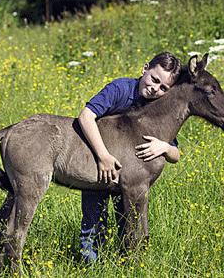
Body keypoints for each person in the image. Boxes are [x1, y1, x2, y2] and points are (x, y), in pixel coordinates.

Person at [78, 52, 182, 263]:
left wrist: (164, 147)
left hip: (130, 178)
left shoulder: (156, 109)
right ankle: (89, 267)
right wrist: (103, 155)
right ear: (145, 69)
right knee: (92, 226)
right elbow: (86, 116)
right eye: (154, 80)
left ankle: (125, 265)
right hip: (97, 170)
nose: (155, 89)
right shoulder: (120, 88)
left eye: (164, 88)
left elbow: (176, 155)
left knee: (127, 224)